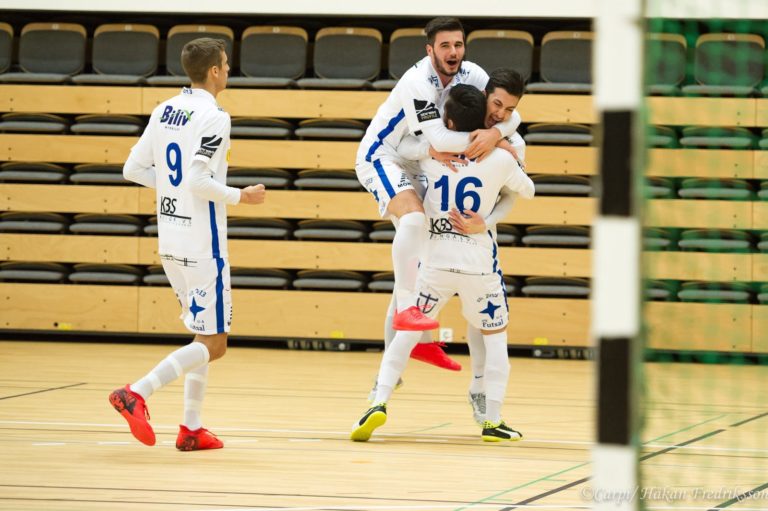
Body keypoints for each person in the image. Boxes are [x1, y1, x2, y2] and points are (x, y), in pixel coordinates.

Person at [351, 83, 534, 443]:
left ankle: (378, 400)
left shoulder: (431, 155)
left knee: (406, 333)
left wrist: (430, 147)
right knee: (495, 340)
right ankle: (492, 419)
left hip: (434, 260)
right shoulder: (502, 156)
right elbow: (527, 190)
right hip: (479, 264)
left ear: (447, 120)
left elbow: (400, 147)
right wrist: (503, 157)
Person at [109, 38, 266, 451]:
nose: (229, 71)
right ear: (214, 71)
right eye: (227, 65)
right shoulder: (214, 116)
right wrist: (241, 196)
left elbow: (132, 169)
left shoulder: (165, 109)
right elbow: (198, 181)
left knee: (201, 334)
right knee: (215, 344)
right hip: (201, 242)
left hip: (170, 239)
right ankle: (136, 392)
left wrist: (173, 188)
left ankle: (191, 428)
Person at [356, 16, 523, 371]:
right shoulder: (417, 81)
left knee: (419, 258)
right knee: (415, 221)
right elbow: (442, 141)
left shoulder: (473, 74)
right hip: (385, 156)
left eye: (458, 44)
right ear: (430, 49)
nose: (453, 52)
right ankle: (406, 312)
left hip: (420, 159)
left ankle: (421, 341)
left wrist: (497, 134)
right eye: (445, 45)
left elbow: (510, 112)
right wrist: (498, 142)